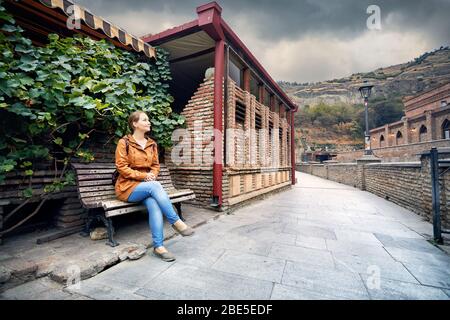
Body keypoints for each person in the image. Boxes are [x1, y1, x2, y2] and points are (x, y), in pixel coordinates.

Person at [114, 110, 194, 262]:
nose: (148, 122)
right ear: (134, 124)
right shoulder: (123, 142)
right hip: (127, 187)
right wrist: (145, 176)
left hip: (146, 186)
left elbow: (156, 166)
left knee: (154, 204)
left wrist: (152, 174)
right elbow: (121, 167)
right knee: (155, 186)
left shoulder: (152, 144)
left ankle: (159, 247)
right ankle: (175, 221)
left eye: (148, 120)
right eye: (144, 120)